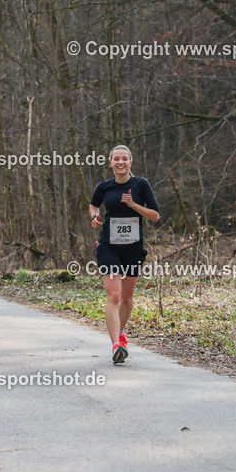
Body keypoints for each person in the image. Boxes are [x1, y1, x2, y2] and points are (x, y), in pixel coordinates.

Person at [89, 145, 159, 364]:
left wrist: (134, 205)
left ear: (130, 162)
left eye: (124, 159)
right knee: (114, 296)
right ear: (110, 162)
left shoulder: (141, 184)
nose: (120, 162)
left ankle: (120, 333)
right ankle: (115, 345)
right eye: (116, 159)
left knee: (127, 299)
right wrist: (94, 217)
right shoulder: (104, 186)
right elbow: (93, 205)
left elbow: (155, 215)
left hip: (133, 249)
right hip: (108, 246)